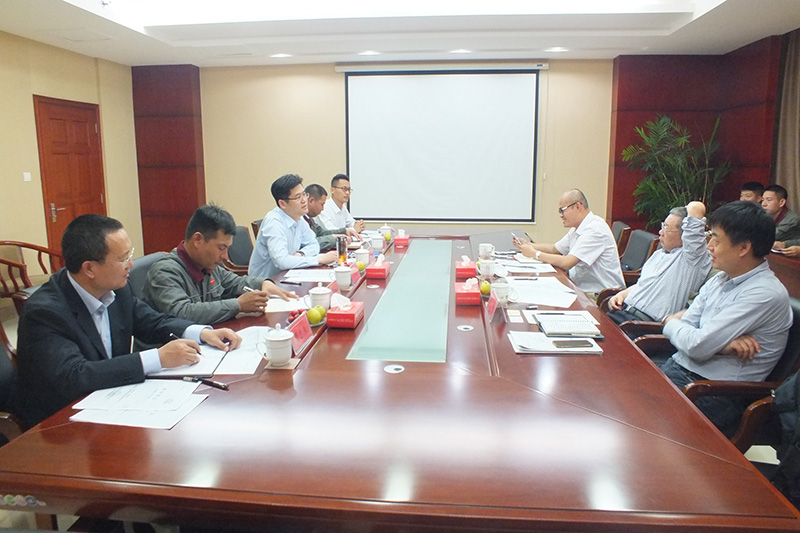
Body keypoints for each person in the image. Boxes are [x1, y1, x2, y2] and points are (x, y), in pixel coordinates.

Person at [15, 214, 242, 427]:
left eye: (130, 255)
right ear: (89, 268)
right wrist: (158, 358)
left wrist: (201, 333)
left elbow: (151, 321)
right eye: (123, 259)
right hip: (61, 424)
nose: (131, 265)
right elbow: (75, 376)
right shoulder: (45, 312)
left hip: (112, 400)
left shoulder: (116, 289)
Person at [659, 201, 792, 436]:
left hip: (714, 393)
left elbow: (697, 345)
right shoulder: (720, 279)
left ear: (743, 248)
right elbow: (693, 331)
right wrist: (719, 345)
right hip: (680, 370)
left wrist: (670, 322)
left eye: (716, 240)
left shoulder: (764, 293)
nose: (709, 246)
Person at [143, 204, 296, 324]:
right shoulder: (164, 272)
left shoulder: (208, 265)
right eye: (221, 248)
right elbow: (183, 313)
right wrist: (238, 305)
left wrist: (263, 283)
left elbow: (236, 282)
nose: (225, 256)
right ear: (198, 240)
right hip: (172, 349)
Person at [607, 202, 712, 324]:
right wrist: (622, 295)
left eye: (666, 228)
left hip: (641, 325)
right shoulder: (659, 254)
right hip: (623, 312)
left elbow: (697, 207)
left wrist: (686, 212)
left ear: (685, 233)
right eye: (663, 226)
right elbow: (642, 285)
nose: (660, 232)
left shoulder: (692, 258)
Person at [514, 189, 624, 296]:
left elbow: (567, 262)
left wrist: (534, 253)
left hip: (601, 296)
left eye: (562, 210)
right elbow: (555, 249)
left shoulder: (595, 230)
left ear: (577, 206)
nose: (561, 215)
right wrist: (529, 245)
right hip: (579, 288)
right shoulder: (577, 228)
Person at [249, 174, 338, 279]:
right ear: (282, 204)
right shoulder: (274, 223)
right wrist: (318, 259)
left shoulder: (298, 217)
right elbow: (282, 262)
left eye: (304, 194)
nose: (304, 200)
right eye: (298, 197)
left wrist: (301, 254)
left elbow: (314, 244)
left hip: (288, 276)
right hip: (265, 283)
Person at [304, 184, 360, 252]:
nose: (323, 208)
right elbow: (310, 243)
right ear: (311, 201)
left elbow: (322, 233)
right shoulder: (300, 220)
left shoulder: (309, 219)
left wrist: (344, 231)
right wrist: (334, 238)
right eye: (322, 204)